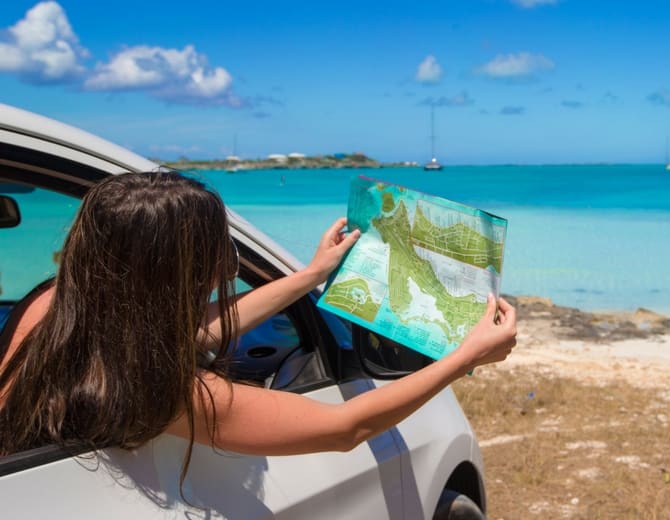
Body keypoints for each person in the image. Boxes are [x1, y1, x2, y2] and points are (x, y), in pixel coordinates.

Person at [0, 171, 516, 465]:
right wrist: (468, 354)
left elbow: (191, 329)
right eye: (212, 255)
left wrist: (311, 275)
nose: (221, 270)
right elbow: (345, 426)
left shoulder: (54, 308)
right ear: (175, 275)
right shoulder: (157, 389)